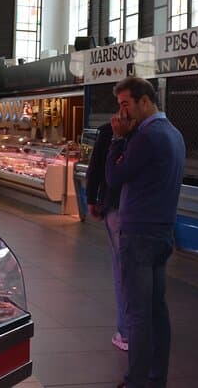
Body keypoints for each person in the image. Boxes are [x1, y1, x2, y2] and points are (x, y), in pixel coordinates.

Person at [106, 77, 185, 388]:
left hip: (139, 234)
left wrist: (116, 140)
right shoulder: (174, 134)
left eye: (126, 104)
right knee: (157, 310)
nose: (122, 113)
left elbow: (114, 176)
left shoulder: (146, 137)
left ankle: (136, 380)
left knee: (138, 313)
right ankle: (156, 377)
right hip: (163, 231)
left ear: (144, 101)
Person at [85, 121, 128, 351]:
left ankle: (127, 332)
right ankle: (140, 330)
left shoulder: (111, 132)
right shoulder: (154, 132)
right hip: (141, 211)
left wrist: (91, 199)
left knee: (122, 269)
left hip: (115, 205)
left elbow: (100, 168)